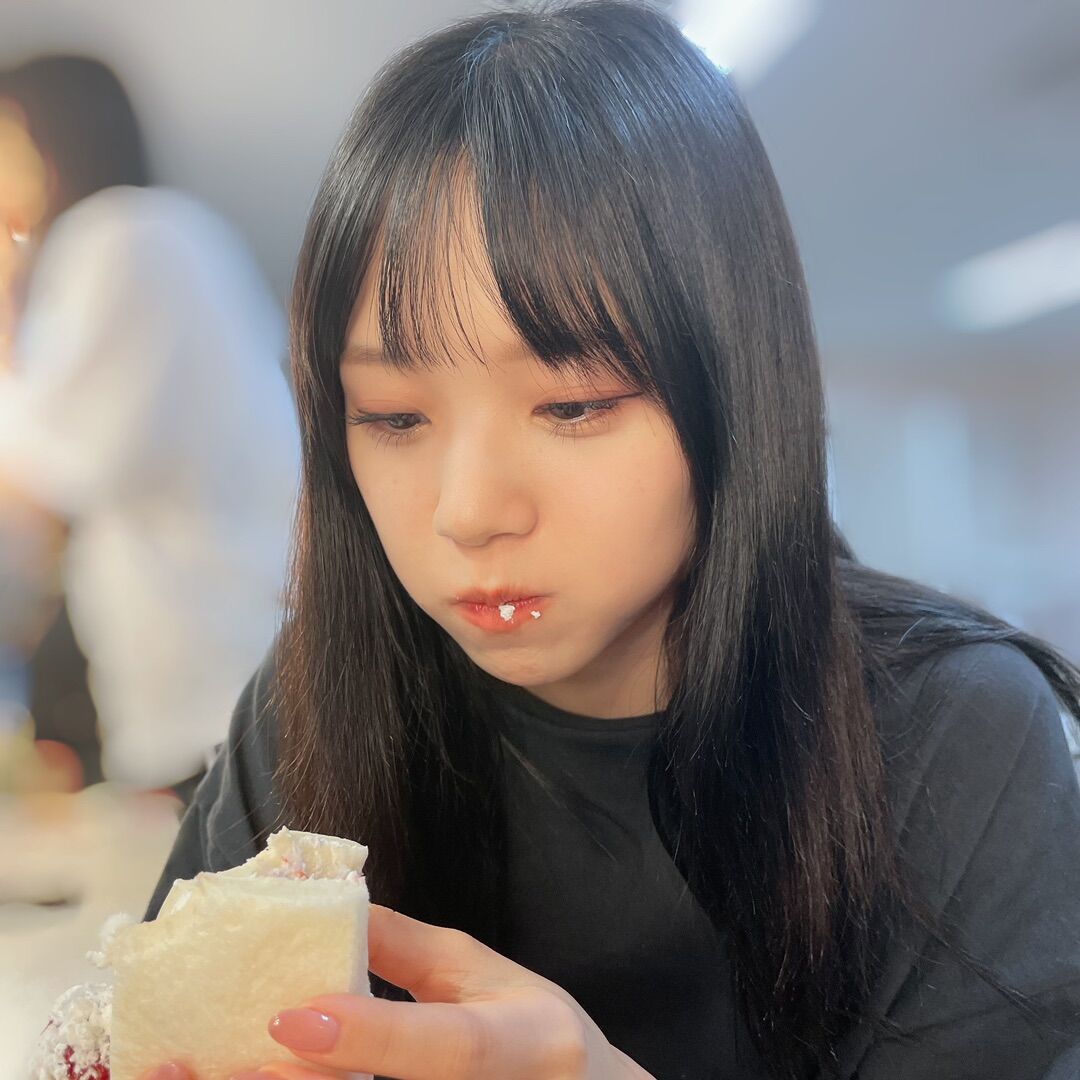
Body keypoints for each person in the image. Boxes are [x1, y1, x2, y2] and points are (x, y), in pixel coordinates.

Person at [136, 3, 1080, 1078]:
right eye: (394, 417)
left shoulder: (954, 736)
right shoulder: (316, 704)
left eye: (574, 405)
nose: (468, 512)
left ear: (732, 389)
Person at [0, 56, 301, 799]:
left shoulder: (122, 236)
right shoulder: (161, 236)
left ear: (52, 139)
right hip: (231, 656)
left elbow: (56, 463)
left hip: (219, 663)